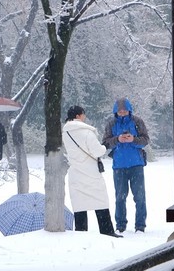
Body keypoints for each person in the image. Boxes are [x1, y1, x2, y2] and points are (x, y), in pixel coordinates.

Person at [63, 104, 123, 237]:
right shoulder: (86, 132)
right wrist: (104, 146)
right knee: (100, 201)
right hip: (90, 172)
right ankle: (106, 230)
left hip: (76, 172)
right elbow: (97, 151)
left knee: (80, 204)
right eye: (83, 114)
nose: (85, 117)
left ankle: (81, 231)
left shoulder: (65, 133)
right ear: (78, 115)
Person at [102, 98, 150, 234]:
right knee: (120, 197)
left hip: (136, 165)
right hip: (119, 166)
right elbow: (105, 143)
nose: (122, 113)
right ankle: (120, 225)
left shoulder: (137, 122)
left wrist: (133, 140)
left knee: (140, 197)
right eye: (119, 111)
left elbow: (145, 140)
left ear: (129, 110)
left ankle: (140, 226)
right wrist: (117, 139)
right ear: (115, 111)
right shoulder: (111, 124)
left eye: (124, 110)